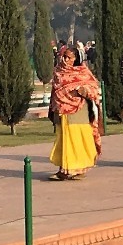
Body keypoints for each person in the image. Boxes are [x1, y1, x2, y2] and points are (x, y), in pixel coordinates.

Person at [48, 43, 102, 181]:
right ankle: (65, 169)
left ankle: (79, 168)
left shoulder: (83, 72)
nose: (65, 60)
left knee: (79, 138)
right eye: (64, 57)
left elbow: (94, 90)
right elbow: (55, 92)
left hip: (80, 111)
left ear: (76, 59)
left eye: (69, 57)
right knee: (65, 140)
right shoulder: (58, 72)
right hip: (62, 111)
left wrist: (83, 91)